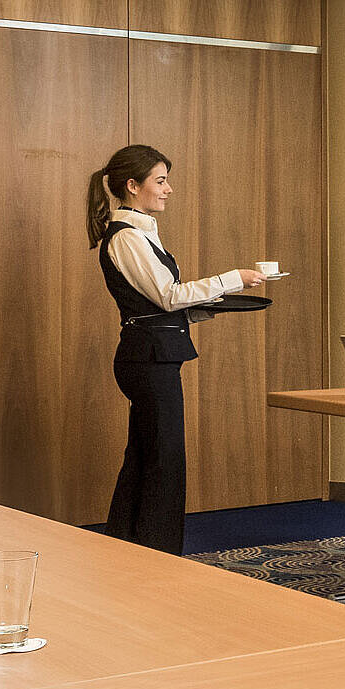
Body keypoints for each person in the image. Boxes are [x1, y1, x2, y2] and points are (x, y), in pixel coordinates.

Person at [90, 144, 265, 556]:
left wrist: (208, 305)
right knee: (164, 459)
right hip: (147, 359)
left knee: (147, 455)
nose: (169, 190)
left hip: (152, 354)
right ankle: (159, 553)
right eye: (161, 181)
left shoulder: (139, 233)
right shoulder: (128, 237)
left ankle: (129, 546)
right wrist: (232, 279)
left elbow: (157, 304)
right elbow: (168, 297)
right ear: (133, 186)